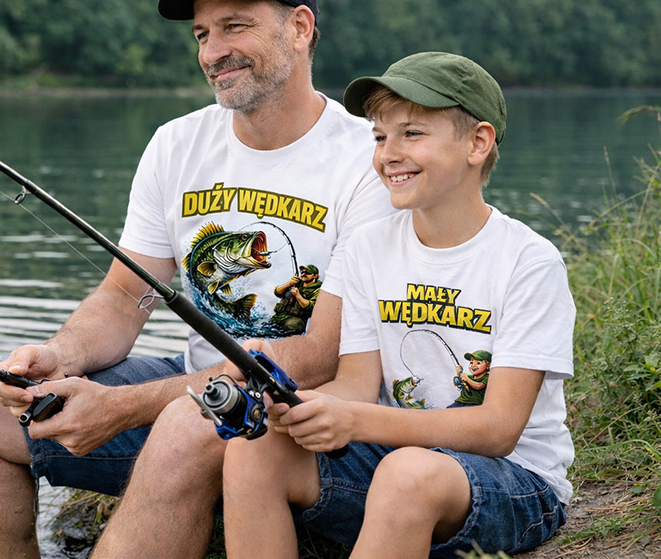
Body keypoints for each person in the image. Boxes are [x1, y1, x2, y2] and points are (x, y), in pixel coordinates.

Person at [0, 0, 393, 558]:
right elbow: (126, 296)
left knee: (186, 421)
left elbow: (318, 355)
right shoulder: (176, 144)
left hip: (312, 422)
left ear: (300, 28)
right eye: (201, 34)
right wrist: (60, 355)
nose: (212, 52)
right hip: (199, 389)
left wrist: (122, 407)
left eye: (235, 27)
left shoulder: (371, 161)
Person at [220, 51, 575, 558]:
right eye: (380, 137)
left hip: (515, 481)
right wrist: (295, 405)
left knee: (407, 473)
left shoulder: (528, 261)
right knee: (253, 448)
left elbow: (498, 429)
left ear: (477, 143)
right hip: (398, 461)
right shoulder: (367, 248)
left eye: (412, 133)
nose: (389, 153)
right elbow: (356, 386)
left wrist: (355, 421)